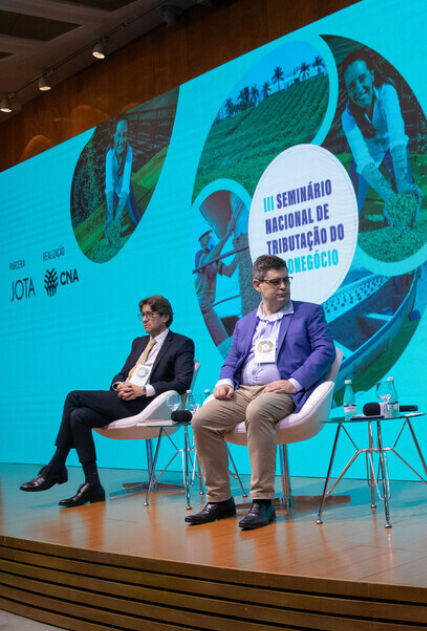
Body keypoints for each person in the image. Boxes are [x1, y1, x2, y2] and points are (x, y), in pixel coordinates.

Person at [187, 255, 335, 529]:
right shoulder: (244, 324)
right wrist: (225, 383)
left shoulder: (308, 313)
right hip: (243, 390)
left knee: (257, 412)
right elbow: (231, 360)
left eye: (286, 280)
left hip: (281, 391)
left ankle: (263, 502)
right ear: (257, 285)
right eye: (275, 282)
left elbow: (325, 351)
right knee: (202, 420)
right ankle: (220, 500)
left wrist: (293, 382)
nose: (283, 287)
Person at [20, 296, 195, 507]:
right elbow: (121, 374)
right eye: (142, 315)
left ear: (165, 316)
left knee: (73, 396)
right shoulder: (139, 342)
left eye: (150, 315)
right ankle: (92, 484)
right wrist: (118, 386)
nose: (145, 320)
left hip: (149, 404)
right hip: (123, 400)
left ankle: (55, 466)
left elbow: (182, 382)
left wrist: (144, 390)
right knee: (78, 416)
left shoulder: (181, 343)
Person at [341, 48, 423, 228]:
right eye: (351, 86)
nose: (358, 89)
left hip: (392, 151)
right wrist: (389, 196)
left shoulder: (387, 92)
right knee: (352, 213)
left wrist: (401, 185)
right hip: (368, 158)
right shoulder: (347, 116)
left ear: (371, 75)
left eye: (362, 79)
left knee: (404, 207)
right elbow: (362, 160)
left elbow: (397, 137)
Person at [195, 208, 239, 346]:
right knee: (222, 342)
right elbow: (208, 260)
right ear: (202, 242)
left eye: (210, 235)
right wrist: (226, 235)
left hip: (207, 307)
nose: (210, 238)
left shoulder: (215, 261)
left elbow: (229, 271)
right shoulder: (200, 255)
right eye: (207, 237)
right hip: (201, 307)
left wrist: (239, 251)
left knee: (223, 341)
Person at [104, 118, 141, 242]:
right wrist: (111, 218)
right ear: (114, 136)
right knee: (109, 219)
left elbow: (125, 187)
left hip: (125, 188)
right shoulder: (109, 154)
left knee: (137, 220)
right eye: (119, 135)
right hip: (114, 189)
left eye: (125, 135)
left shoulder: (129, 151)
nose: (122, 140)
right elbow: (109, 186)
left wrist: (118, 218)